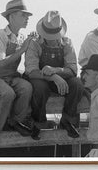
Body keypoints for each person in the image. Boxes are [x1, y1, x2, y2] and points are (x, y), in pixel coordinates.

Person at [25, 10, 84, 138]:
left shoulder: (67, 43)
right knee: (40, 88)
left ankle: (67, 120)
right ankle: (38, 122)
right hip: (41, 79)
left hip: (61, 80)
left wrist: (56, 70)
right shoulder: (34, 43)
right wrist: (52, 77)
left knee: (77, 84)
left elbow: (73, 70)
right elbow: (31, 71)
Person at [0, 0, 38, 144]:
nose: (27, 18)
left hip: (11, 76)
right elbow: (1, 62)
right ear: (11, 17)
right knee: (7, 93)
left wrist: (34, 39)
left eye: (27, 16)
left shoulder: (22, 37)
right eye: (23, 15)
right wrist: (23, 49)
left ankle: (15, 122)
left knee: (26, 88)